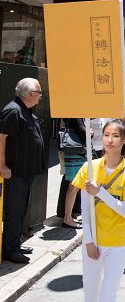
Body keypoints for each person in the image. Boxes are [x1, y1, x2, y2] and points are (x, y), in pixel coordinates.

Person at [72, 119, 125, 302]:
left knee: (107, 295)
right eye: (106, 135)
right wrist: (88, 241)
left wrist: (100, 192)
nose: (109, 140)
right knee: (90, 294)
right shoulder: (89, 168)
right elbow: (85, 211)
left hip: (118, 243)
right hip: (93, 241)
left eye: (115, 136)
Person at [0, 78, 45, 264]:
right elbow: (1, 138)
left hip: (25, 171)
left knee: (21, 209)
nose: (41, 96)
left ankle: (14, 243)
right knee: (14, 210)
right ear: (30, 94)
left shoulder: (25, 110)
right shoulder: (13, 110)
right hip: (15, 171)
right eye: (39, 92)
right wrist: (2, 165)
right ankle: (9, 250)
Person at [61, 118, 87, 230]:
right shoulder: (76, 116)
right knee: (73, 187)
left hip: (74, 153)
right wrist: (89, 132)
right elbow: (84, 133)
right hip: (76, 153)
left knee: (74, 187)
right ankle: (67, 218)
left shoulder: (70, 116)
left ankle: (68, 217)